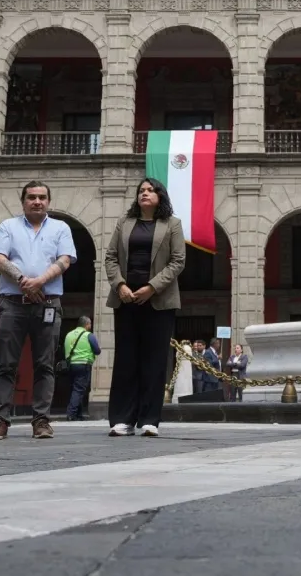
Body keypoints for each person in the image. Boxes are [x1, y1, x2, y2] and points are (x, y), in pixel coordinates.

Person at [0, 181, 76, 441]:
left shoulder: (61, 228)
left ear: (49, 201)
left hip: (48, 303)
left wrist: (39, 282)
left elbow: (65, 260)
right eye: (32, 197)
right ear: (23, 201)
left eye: (42, 197)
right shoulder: (7, 226)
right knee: (5, 364)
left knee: (45, 365)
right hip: (12, 303)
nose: (37, 201)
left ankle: (41, 421)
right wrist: (24, 280)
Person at [105, 177, 187, 437]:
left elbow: (178, 261)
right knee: (126, 359)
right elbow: (110, 257)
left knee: (155, 360)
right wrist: (120, 285)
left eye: (151, 190)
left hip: (159, 301)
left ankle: (150, 419)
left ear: (160, 196)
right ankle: (122, 419)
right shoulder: (124, 223)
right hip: (126, 299)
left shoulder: (172, 224)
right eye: (141, 190)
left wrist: (151, 287)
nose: (145, 194)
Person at [62, 316, 100, 421]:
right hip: (83, 364)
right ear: (87, 324)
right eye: (90, 324)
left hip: (70, 365)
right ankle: (71, 414)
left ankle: (79, 415)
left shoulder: (68, 334)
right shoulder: (89, 335)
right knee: (79, 390)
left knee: (75, 389)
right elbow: (97, 350)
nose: (90, 326)